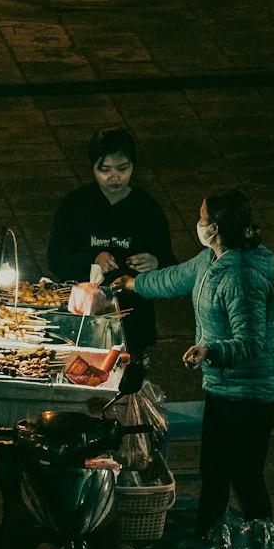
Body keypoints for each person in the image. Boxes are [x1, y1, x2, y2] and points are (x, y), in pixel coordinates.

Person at [114, 188, 274, 539]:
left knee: (245, 474)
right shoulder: (210, 260)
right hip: (223, 387)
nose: (198, 222)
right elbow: (174, 277)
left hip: (252, 394)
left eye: (203, 217)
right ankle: (207, 542)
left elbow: (251, 344)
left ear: (217, 228)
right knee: (215, 468)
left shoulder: (242, 278)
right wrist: (135, 284)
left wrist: (211, 351)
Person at [47, 126, 174, 384]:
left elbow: (172, 267)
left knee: (126, 389)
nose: (114, 177)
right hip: (82, 321)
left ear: (133, 166)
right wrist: (91, 258)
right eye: (105, 170)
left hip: (132, 322)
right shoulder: (76, 204)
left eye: (123, 168)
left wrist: (156, 262)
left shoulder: (146, 208)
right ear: (92, 167)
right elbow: (56, 260)